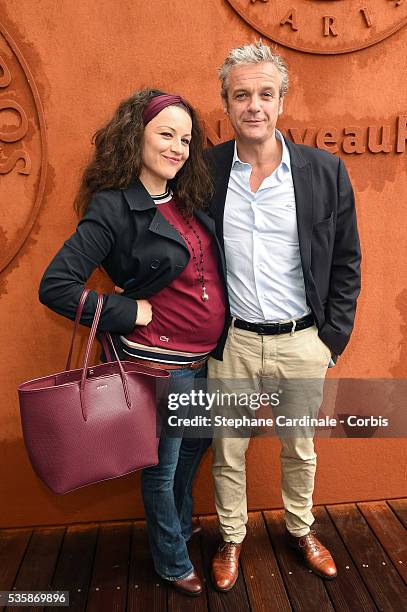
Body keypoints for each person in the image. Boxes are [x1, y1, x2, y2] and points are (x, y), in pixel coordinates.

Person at [39, 88, 227, 596]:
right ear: (134, 138)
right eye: (165, 134)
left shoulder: (190, 197)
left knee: (195, 448)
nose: (177, 148)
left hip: (204, 359)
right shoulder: (114, 208)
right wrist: (126, 311)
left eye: (185, 138)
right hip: (158, 365)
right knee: (162, 468)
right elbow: (55, 285)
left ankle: (178, 525)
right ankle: (171, 560)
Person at [205, 42, 361, 591]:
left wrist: (330, 340)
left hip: (302, 340)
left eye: (265, 94)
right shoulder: (205, 170)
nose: (254, 105)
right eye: (241, 94)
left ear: (281, 101)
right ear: (225, 102)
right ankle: (231, 538)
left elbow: (346, 260)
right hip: (234, 343)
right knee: (229, 447)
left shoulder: (324, 171)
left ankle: (301, 528)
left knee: (301, 446)